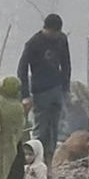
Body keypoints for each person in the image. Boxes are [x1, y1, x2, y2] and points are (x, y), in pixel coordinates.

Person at [17, 14, 72, 165]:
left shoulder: (61, 39)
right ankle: (35, 163)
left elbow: (66, 64)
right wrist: (25, 95)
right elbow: (22, 69)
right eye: (53, 32)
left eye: (57, 33)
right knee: (40, 130)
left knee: (55, 129)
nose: (55, 36)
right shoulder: (34, 43)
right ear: (46, 29)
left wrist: (66, 88)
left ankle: (49, 162)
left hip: (57, 89)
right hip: (40, 91)